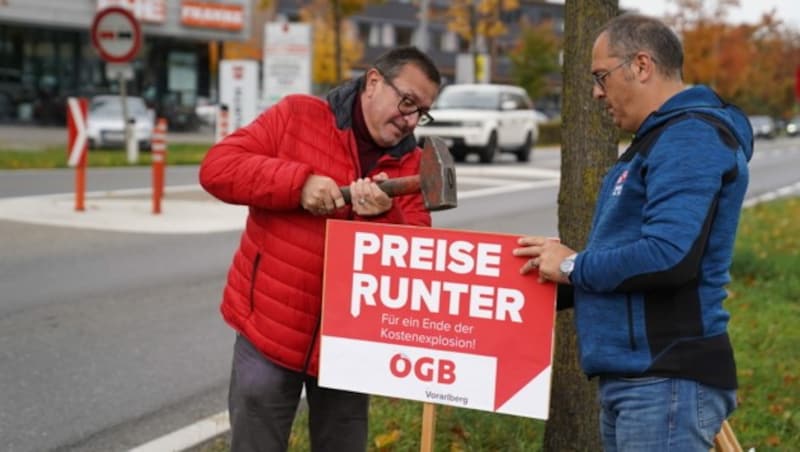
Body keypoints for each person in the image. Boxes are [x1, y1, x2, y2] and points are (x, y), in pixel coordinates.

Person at [513, 14, 753, 451]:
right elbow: (627, 262)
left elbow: (668, 256)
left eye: (601, 76)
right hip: (643, 380)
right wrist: (537, 278)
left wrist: (571, 264)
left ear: (641, 65)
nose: (596, 92)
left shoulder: (689, 137)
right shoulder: (659, 138)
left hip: (664, 379)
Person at [199, 46, 441, 452]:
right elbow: (218, 169)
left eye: (422, 111)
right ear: (374, 81)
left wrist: (383, 216)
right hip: (269, 326)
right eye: (407, 102)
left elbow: (414, 257)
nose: (411, 120)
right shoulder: (297, 117)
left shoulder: (413, 168)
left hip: (349, 344)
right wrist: (298, 183)